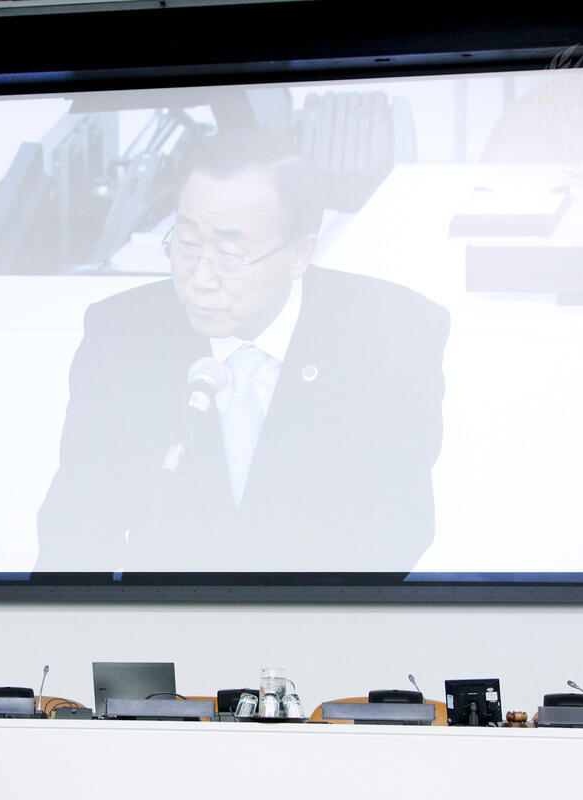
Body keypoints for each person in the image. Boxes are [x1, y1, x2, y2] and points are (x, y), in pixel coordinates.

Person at [35, 128, 450, 573]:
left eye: (230, 255)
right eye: (186, 245)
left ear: (299, 254)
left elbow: (393, 525)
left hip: (320, 611)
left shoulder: (391, 335)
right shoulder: (121, 337)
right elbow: (76, 527)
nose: (200, 279)